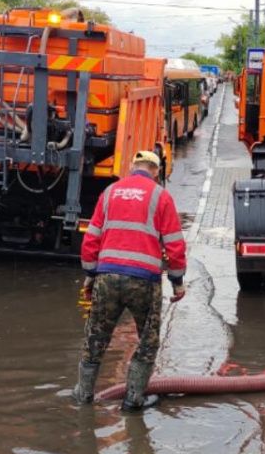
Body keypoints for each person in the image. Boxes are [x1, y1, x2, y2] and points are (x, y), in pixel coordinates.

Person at [74, 150, 187, 413]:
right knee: (147, 341)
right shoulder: (161, 196)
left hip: (107, 277)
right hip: (144, 281)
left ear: (132, 166)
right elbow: (174, 243)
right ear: (156, 171)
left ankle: (83, 395)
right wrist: (177, 281)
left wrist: (90, 276)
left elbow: (91, 238)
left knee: (96, 337)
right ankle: (133, 399)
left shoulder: (110, 192)